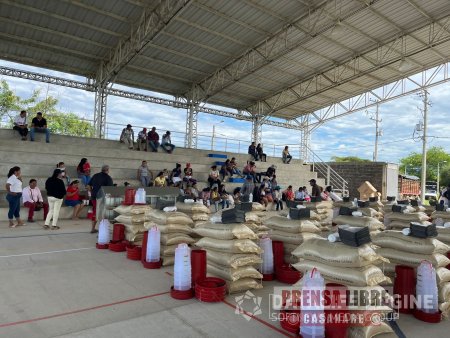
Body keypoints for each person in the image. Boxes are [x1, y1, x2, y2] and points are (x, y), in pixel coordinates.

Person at [87, 165, 114, 233]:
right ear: (107, 170)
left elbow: (88, 185)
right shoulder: (108, 178)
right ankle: (102, 230)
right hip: (102, 197)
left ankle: (93, 228)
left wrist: (91, 192)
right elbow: (110, 189)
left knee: (95, 212)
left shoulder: (95, 175)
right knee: (101, 213)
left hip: (94, 196)